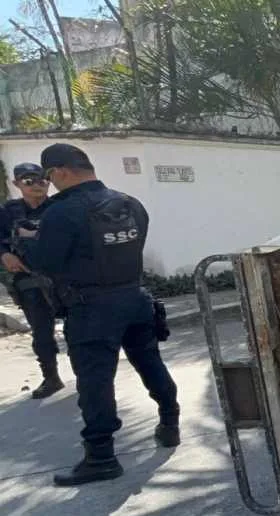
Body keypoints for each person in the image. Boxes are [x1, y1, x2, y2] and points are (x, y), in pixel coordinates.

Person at [19, 144, 180, 487]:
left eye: (50, 177)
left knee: (95, 381)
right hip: (135, 298)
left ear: (60, 171)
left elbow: (45, 262)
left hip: (91, 308)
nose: (50, 184)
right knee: (150, 362)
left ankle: (101, 457)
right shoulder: (130, 203)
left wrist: (27, 241)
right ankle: (170, 423)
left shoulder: (62, 213)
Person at [0, 163, 63, 398]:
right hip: (29, 280)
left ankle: (85, 374)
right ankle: (51, 377)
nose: (37, 185)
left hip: (63, 278)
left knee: (78, 328)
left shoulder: (60, 207)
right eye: (29, 181)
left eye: (42, 180)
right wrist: (4, 254)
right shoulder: (8, 212)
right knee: (42, 331)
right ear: (16, 184)